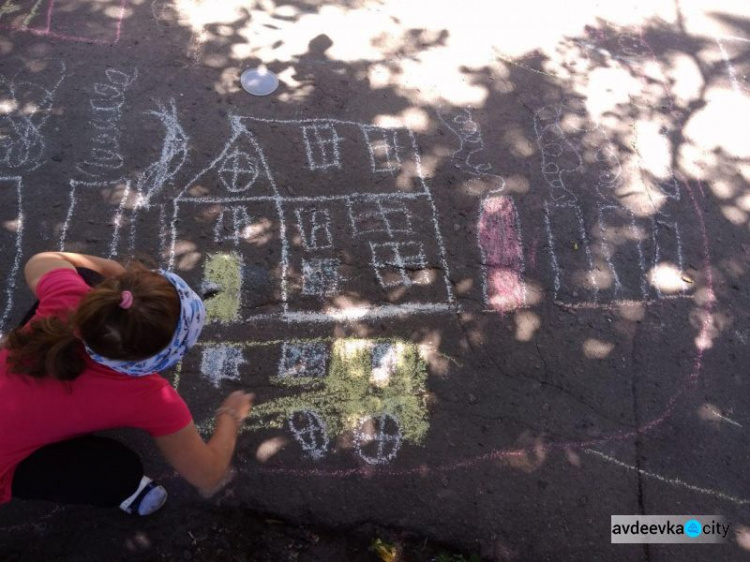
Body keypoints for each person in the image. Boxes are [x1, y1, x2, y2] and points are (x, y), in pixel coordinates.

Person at [0, 251, 254, 516]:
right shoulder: (151, 397)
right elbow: (207, 474)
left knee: (85, 274)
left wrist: (114, 271)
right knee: (120, 471)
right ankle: (123, 490)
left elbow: (40, 260)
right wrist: (231, 416)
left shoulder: (67, 298)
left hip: (37, 364)